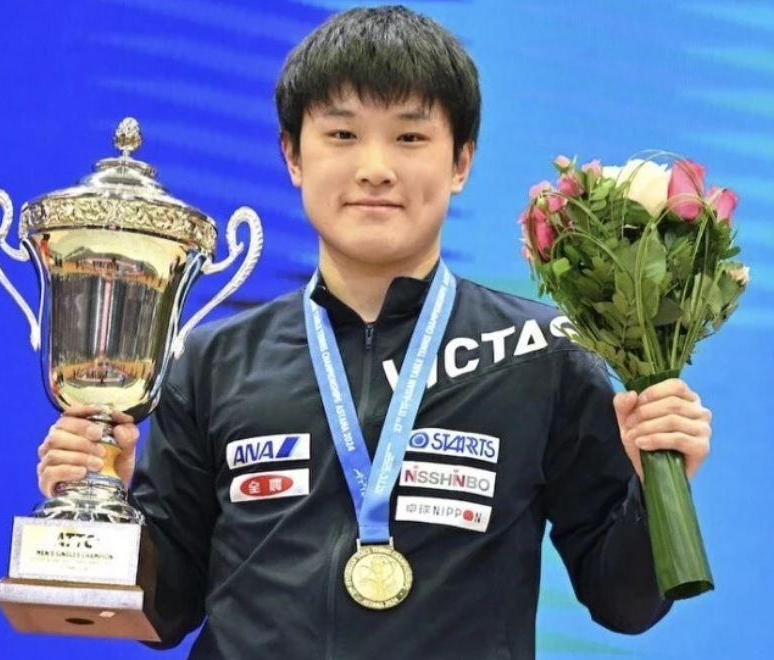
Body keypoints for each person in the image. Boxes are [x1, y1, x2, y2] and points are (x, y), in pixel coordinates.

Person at [36, 6, 713, 659]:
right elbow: (165, 616)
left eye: (410, 137)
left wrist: (654, 483)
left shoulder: (540, 354)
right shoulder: (214, 359)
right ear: (292, 156)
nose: (375, 168)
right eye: (341, 134)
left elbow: (623, 604)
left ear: (461, 161)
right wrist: (101, 497)